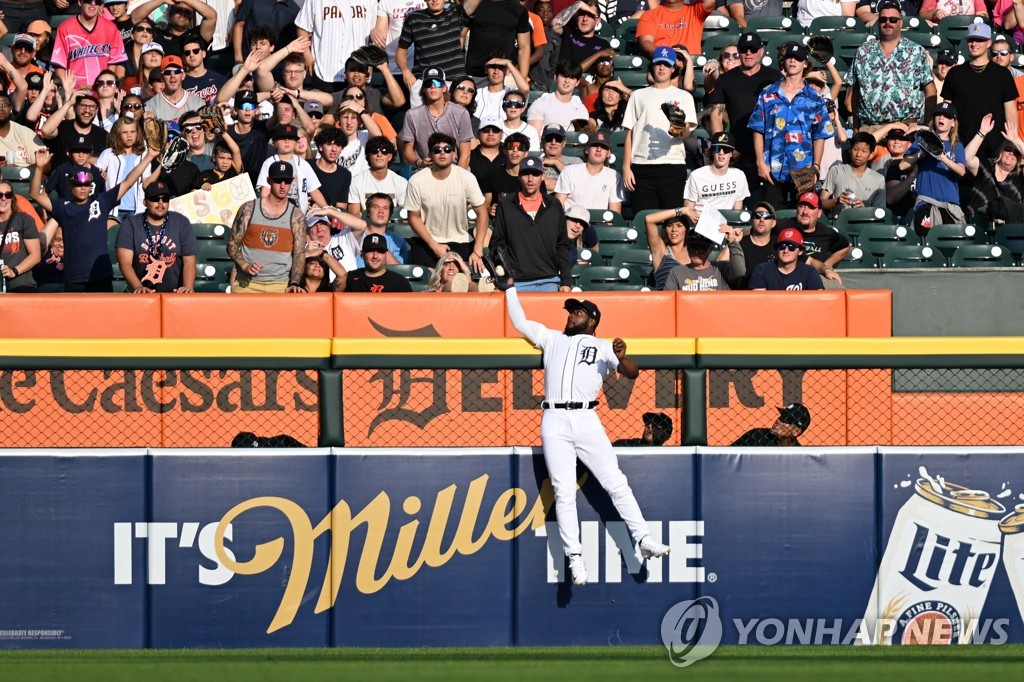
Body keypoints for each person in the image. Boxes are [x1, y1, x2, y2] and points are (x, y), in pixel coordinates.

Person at [500, 283, 670, 586]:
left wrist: (622, 355)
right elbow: (519, 322)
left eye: (578, 311)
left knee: (615, 481)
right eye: (570, 311)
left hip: (586, 416)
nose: (571, 314)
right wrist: (510, 290)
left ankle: (643, 537)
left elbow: (631, 372)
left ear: (592, 320)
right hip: (553, 417)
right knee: (563, 490)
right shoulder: (552, 338)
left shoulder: (604, 345)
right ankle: (575, 557)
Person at [44, 147, 159, 292]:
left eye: (86, 184)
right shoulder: (63, 206)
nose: (83, 187)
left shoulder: (101, 201)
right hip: (74, 277)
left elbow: (129, 181)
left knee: (104, 315)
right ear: (70, 186)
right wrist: (38, 168)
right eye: (78, 184)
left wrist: (149, 157)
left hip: (101, 275)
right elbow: (35, 194)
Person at [748, 43, 834, 210]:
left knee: (805, 214)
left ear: (805, 64)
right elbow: (758, 129)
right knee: (771, 218)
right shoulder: (768, 93)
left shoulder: (815, 97)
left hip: (804, 170)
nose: (793, 61)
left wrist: (816, 167)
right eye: (790, 58)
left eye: (798, 58)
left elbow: (820, 135)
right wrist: (760, 162)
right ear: (784, 62)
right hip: (773, 168)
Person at [622, 46, 697, 213]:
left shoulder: (684, 96)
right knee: (644, 218)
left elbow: (687, 133)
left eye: (666, 64)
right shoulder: (638, 95)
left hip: (673, 164)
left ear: (673, 68)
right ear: (652, 66)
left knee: (672, 221)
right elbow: (630, 132)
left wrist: (679, 129)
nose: (662, 68)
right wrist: (626, 167)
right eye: (658, 64)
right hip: (642, 165)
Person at [844, 1, 936, 133]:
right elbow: (855, 91)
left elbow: (930, 90)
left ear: (901, 23)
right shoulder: (863, 51)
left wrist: (927, 125)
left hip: (906, 129)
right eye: (883, 19)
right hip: (871, 129)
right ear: (878, 22)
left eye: (893, 19)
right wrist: (857, 128)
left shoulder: (916, 51)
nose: (888, 23)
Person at [487, 155, 571, 291]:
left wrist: (566, 281)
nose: (530, 179)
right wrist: (505, 277)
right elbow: (497, 244)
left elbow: (562, 245)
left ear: (543, 176)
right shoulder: (506, 203)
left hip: (549, 280)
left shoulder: (554, 205)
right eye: (526, 174)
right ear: (519, 176)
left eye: (535, 174)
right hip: (517, 282)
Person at [708, 32, 781, 189]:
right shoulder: (726, 79)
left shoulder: (774, 77)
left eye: (753, 49)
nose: (748, 53)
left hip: (771, 150)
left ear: (761, 51)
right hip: (739, 151)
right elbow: (716, 114)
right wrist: (722, 145)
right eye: (744, 50)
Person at [405, 132, 487, 267]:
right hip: (426, 242)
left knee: (462, 281)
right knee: (429, 282)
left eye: (448, 149)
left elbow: (482, 213)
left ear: (454, 154)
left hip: (459, 241)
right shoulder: (417, 180)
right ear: (430, 155)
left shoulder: (466, 177)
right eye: (437, 150)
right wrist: (434, 245)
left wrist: (478, 250)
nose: (442, 153)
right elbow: (413, 216)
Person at [227, 160, 307, 294]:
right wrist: (245, 266)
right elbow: (232, 244)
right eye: (278, 181)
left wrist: (294, 282)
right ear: (268, 181)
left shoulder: (297, 216)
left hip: (279, 285)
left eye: (287, 182)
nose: (282, 186)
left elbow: (299, 253)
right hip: (246, 283)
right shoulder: (249, 208)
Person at [941, 22, 1018, 156]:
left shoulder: (1003, 74)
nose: (974, 44)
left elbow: (1010, 112)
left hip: (995, 146)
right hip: (961, 142)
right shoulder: (955, 73)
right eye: (971, 40)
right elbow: (947, 108)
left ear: (989, 43)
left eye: (979, 40)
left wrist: (1011, 143)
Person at [114, 180, 198, 293]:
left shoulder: (181, 222)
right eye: (155, 199)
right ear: (145, 202)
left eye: (165, 199)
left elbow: (189, 260)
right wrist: (138, 287)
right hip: (139, 293)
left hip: (174, 293)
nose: (160, 203)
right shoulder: (131, 224)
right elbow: (125, 262)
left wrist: (188, 286)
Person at [400, 67, 474, 170]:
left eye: (437, 83)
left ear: (444, 88)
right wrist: (419, 163)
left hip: (455, 169)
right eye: (428, 84)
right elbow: (408, 150)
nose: (433, 86)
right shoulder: (412, 115)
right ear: (423, 89)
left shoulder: (461, 113)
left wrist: (457, 178)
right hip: (425, 170)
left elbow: (465, 154)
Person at [397, 0, 469, 103]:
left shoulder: (456, 13)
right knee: (419, 119)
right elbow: (401, 50)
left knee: (454, 118)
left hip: (454, 82)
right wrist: (405, 71)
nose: (434, 0)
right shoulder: (413, 18)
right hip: (424, 82)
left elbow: (473, 3)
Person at [774, 192, 849, 285]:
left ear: (819, 213)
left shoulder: (827, 233)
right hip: (782, 280)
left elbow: (846, 247)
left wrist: (827, 265)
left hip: (815, 281)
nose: (805, 212)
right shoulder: (782, 226)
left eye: (811, 208)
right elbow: (755, 230)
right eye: (802, 206)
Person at [964, 112, 1024, 222]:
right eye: (1008, 149)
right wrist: (982, 132)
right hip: (978, 226)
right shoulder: (986, 166)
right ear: (1001, 151)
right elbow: (966, 159)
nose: (1011, 153)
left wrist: (1016, 141)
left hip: (1009, 231)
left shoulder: (1020, 175)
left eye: (1017, 152)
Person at [255, 124, 328, 214]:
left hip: (299, 215)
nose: (287, 141)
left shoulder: (303, 164)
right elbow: (265, 191)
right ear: (274, 143)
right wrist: (267, 212)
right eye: (282, 138)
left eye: (291, 139)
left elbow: (314, 191)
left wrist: (328, 210)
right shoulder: (269, 163)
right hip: (275, 213)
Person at [51, 0, 127, 84]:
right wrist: (67, 91)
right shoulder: (65, 28)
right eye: (89, 0)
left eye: (97, 1)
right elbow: (59, 65)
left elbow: (114, 62)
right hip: (74, 90)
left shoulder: (111, 27)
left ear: (101, 5)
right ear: (80, 2)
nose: (93, 4)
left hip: (101, 89)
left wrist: (105, 84)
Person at [94, 116, 154, 223]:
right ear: (118, 134)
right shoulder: (108, 153)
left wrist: (162, 166)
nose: (129, 135)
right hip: (114, 210)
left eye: (132, 131)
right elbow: (96, 174)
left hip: (136, 210)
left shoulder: (144, 155)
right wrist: (101, 174)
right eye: (125, 132)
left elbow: (146, 183)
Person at [820, 131, 887, 220]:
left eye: (864, 151)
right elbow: (821, 202)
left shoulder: (879, 179)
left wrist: (864, 209)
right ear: (850, 150)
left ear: (871, 155)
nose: (858, 154)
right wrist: (836, 201)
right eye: (855, 149)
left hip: (865, 225)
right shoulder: (836, 170)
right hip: (838, 223)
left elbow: (880, 212)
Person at [554, 128, 624, 212]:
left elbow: (615, 214)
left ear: (609, 153)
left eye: (603, 147)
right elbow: (557, 207)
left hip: (599, 223)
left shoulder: (614, 176)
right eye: (595, 145)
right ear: (587, 149)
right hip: (571, 222)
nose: (598, 149)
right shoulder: (569, 171)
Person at [462, 0, 532, 80]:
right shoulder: (473, 5)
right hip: (474, 74)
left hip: (505, 74)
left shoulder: (518, 9)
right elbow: (460, 36)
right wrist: (457, 73)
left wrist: (522, 79)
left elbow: (524, 47)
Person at [683, 131, 749, 212]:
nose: (721, 153)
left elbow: (737, 211)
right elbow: (688, 208)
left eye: (726, 149)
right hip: (701, 221)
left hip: (727, 222)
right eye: (717, 149)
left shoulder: (739, 176)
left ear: (731, 153)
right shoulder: (696, 176)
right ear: (712, 152)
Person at [663, 228, 745, 291]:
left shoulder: (721, 268)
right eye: (692, 248)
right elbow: (669, 302)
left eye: (702, 249)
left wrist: (733, 242)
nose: (696, 252)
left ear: (710, 249)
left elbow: (739, 273)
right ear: (687, 249)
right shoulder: (676, 273)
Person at [130, 0, 218, 58]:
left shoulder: (197, 35)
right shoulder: (158, 33)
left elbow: (211, 16)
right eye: (178, 10)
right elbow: (136, 17)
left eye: (187, 12)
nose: (182, 14)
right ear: (170, 12)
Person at [748, 227, 825, 291]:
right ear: (777, 249)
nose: (786, 250)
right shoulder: (762, 271)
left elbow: (819, 302)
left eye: (792, 247)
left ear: (800, 251)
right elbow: (758, 302)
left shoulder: (809, 272)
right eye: (782, 246)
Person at [643, 205, 700, 290]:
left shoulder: (695, 252)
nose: (674, 229)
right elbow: (649, 220)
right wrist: (682, 211)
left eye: (679, 225)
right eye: (669, 225)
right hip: (666, 301)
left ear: (686, 230)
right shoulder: (661, 251)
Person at [347, 136, 408, 215]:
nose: (379, 154)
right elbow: (354, 215)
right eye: (375, 151)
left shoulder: (401, 182)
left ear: (390, 156)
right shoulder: (356, 181)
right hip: (364, 226)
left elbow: (405, 214)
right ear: (368, 155)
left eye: (384, 151)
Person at [526, 60, 589, 134]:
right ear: (555, 77)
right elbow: (535, 138)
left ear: (577, 83)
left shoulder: (581, 109)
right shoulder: (541, 104)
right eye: (564, 76)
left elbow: (581, 137)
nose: (567, 81)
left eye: (572, 78)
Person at [0, 180, 41, 293]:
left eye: (7, 195)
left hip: (20, 284)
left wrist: (14, 271)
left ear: (12, 198)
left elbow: (36, 255)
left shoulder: (23, 219)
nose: (3, 198)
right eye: (0, 195)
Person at [636, 0, 716, 57]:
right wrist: (667, 55)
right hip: (663, 64)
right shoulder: (650, 15)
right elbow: (646, 42)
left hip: (690, 66)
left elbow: (710, 1)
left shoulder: (695, 11)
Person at [339, 232, 413, 292]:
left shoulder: (399, 282)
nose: (375, 256)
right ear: (362, 254)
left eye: (380, 251)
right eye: (370, 251)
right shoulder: (350, 279)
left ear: (386, 254)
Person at [145, 55, 207, 123]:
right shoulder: (151, 106)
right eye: (168, 72)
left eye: (177, 71)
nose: (172, 76)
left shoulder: (197, 103)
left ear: (183, 75)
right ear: (162, 77)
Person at [476, 55, 530, 123]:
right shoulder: (476, 93)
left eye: (501, 67)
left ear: (507, 71)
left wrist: (508, 63)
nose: (496, 71)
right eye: (492, 67)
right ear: (486, 69)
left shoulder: (512, 93)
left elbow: (525, 89)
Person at [732, 403, 811, 447]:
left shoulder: (799, 456)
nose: (778, 421)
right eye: (780, 417)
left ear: (796, 432)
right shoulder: (756, 435)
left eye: (786, 420)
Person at [0, 91, 45, 167]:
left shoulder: (24, 133)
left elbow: (46, 164)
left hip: (23, 177)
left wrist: (18, 170)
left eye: (4, 105)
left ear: (11, 108)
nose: (0, 108)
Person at [538, 123, 582, 192]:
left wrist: (556, 162)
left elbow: (579, 183)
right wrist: (568, 184)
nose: (553, 142)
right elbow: (532, 183)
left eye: (558, 139)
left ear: (564, 143)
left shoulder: (575, 161)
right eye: (549, 138)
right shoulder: (535, 162)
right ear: (543, 141)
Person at [470, 114, 506, 184]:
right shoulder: (469, 157)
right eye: (486, 130)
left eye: (495, 130)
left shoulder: (509, 156)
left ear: (501, 135)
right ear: (478, 134)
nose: (490, 134)